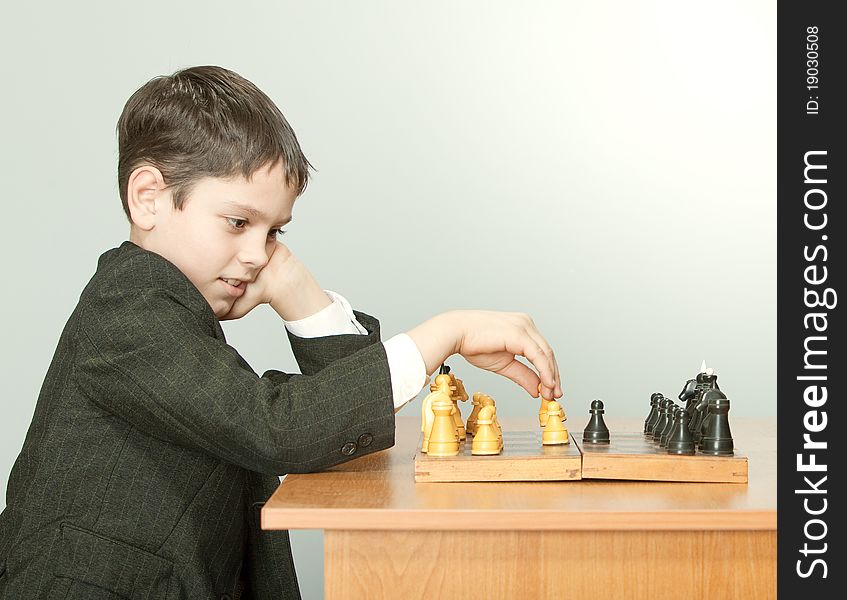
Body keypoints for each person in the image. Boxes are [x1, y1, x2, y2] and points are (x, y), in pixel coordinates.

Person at [0, 65, 562, 599]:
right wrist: (448, 331)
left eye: (274, 232)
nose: (257, 255)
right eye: (239, 223)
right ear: (148, 198)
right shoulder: (126, 311)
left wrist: (297, 290)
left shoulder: (165, 309)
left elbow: (343, 434)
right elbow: (276, 426)